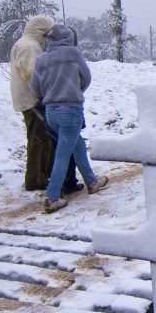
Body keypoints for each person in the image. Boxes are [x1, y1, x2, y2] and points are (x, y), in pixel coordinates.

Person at [30, 24, 109, 213]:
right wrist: (74, 91)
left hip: (50, 111)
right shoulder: (73, 54)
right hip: (70, 110)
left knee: (77, 145)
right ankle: (52, 197)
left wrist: (52, 94)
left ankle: (91, 182)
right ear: (68, 38)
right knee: (63, 154)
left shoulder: (41, 59)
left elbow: (34, 87)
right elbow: (86, 78)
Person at [9, 16, 79, 194]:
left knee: (43, 138)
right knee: (38, 139)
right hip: (32, 99)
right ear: (41, 31)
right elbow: (34, 74)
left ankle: (44, 175)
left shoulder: (24, 43)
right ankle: (35, 179)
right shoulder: (30, 46)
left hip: (28, 97)